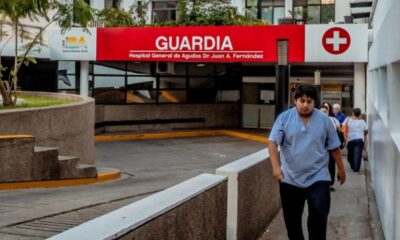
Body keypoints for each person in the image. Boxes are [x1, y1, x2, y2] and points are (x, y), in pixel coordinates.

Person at [268, 84, 346, 240]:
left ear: (314, 103)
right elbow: (272, 143)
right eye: (301, 101)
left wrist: (341, 169)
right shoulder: (284, 118)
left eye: (309, 101)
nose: (305, 105)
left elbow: (334, 147)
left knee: (319, 214)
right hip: (290, 178)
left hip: (318, 177)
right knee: (292, 222)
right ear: (295, 100)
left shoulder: (324, 120)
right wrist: (276, 168)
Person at [320, 105, 341, 191]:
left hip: (330, 148)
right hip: (318, 149)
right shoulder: (313, 122)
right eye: (321, 111)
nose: (323, 113)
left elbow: (339, 131)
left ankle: (330, 183)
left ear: (328, 112)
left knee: (331, 165)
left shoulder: (333, 120)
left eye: (325, 111)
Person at [342, 108, 368, 174]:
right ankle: (356, 169)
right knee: (357, 154)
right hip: (359, 139)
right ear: (360, 114)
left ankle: (354, 167)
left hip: (350, 140)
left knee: (351, 155)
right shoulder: (362, 121)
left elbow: (343, 126)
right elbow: (366, 130)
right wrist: (363, 134)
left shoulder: (348, 119)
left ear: (353, 113)